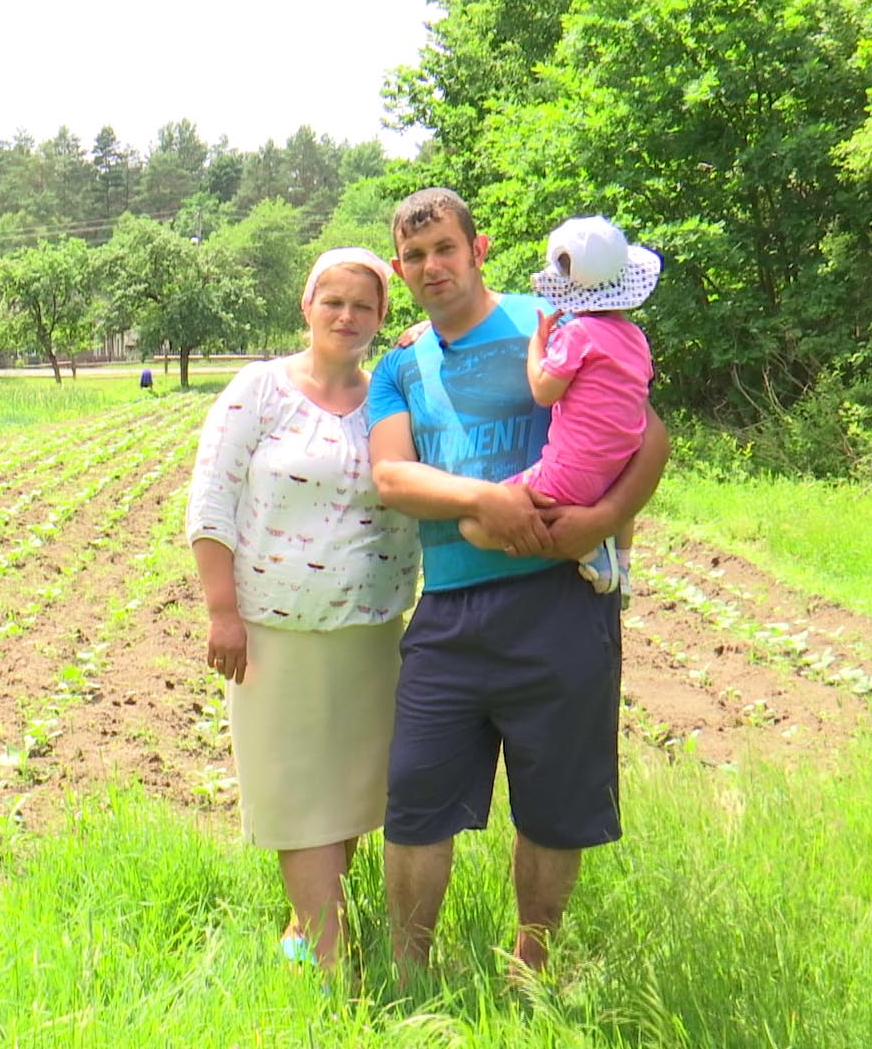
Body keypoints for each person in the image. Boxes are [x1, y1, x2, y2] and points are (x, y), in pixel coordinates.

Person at [366, 188, 669, 978]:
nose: (432, 267)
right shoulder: (399, 365)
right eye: (415, 256)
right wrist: (485, 500)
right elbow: (393, 477)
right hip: (450, 611)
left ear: (479, 248)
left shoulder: (558, 320)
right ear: (401, 268)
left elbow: (651, 436)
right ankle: (410, 972)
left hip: (559, 604)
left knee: (556, 805)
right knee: (415, 799)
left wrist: (602, 521)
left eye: (445, 249)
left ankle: (530, 967)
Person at [186, 246, 420, 973]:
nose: (348, 316)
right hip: (272, 630)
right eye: (334, 301)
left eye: (365, 305)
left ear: (383, 317)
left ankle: (303, 927)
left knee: (349, 790)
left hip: (370, 627)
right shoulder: (260, 389)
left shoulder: (390, 394)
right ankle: (329, 959)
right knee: (295, 789)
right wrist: (223, 611)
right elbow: (211, 500)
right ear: (307, 306)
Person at [454, 216, 658, 603]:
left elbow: (545, 392)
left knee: (474, 525)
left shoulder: (577, 334)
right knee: (619, 506)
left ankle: (584, 549)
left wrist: (537, 346)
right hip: (619, 465)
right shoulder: (636, 338)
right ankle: (624, 565)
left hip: (571, 473)